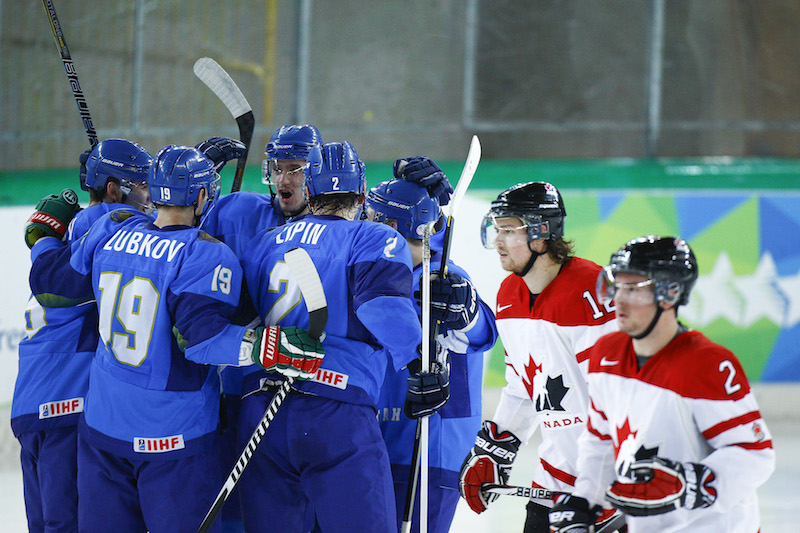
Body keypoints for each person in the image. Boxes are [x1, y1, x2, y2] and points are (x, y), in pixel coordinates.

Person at [27, 145, 323, 532]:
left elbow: (52, 286)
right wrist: (267, 346)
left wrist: (42, 237)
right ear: (202, 196)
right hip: (173, 438)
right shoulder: (205, 254)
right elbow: (199, 339)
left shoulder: (114, 225)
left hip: (102, 429)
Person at [238, 141, 448, 532]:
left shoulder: (263, 243)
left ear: (311, 191)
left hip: (261, 408)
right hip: (335, 410)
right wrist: (421, 363)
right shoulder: (372, 237)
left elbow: (240, 322)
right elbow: (379, 306)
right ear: (364, 195)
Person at [549, 236, 776, 533]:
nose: (619, 299)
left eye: (633, 289)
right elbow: (600, 439)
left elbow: (755, 454)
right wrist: (586, 499)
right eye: (617, 286)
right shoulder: (606, 353)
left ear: (670, 293)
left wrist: (690, 484)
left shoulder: (706, 363)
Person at [457, 181, 621, 533]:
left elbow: (623, 394)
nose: (497, 241)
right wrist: (497, 445)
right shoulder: (509, 294)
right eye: (495, 230)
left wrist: (611, 484)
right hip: (554, 480)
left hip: (608, 485)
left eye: (508, 230)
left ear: (541, 233)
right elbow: (523, 386)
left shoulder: (591, 290)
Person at [12, 138, 152, 533]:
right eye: (142, 186)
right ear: (113, 190)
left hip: (33, 401)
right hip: (69, 405)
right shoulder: (112, 222)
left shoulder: (74, 228)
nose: (150, 197)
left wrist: (41, 240)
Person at [196, 124, 322, 532]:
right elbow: (179, 241)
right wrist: (197, 182)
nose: (284, 180)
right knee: (233, 509)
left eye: (296, 169)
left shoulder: (341, 228)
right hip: (237, 389)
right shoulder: (238, 211)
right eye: (277, 168)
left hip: (309, 395)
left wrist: (433, 222)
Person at [365, 173, 498, 533]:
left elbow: (484, 332)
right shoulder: (370, 276)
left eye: (373, 218)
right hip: (378, 440)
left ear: (393, 224)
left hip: (433, 446)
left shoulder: (444, 277)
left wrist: (466, 311)